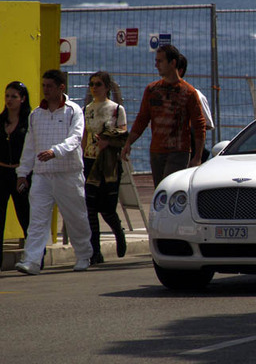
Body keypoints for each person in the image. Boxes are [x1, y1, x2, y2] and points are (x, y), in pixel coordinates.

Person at [15, 69, 93, 275]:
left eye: (49, 86)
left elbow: (76, 138)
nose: (45, 90)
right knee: (38, 219)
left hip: (68, 173)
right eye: (44, 86)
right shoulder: (36, 115)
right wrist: (22, 172)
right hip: (42, 175)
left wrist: (55, 151)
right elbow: (30, 145)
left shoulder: (73, 111)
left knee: (75, 216)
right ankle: (31, 261)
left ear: (61, 87)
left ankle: (84, 254)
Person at [121, 45, 206, 187]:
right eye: (156, 61)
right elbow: (142, 119)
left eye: (160, 61)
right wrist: (128, 143)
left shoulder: (189, 92)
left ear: (172, 63)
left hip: (179, 152)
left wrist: (197, 157)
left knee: (170, 188)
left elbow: (199, 125)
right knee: (159, 192)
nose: (156, 65)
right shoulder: (152, 90)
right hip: (156, 151)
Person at [82, 71, 128, 265]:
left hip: (109, 164)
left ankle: (118, 231)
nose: (94, 87)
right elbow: (84, 134)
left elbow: (123, 134)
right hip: (90, 161)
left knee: (107, 207)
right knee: (90, 208)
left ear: (107, 87)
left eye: (98, 84)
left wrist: (108, 141)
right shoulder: (87, 109)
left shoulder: (117, 109)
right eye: (91, 84)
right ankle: (95, 252)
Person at [0, 81, 31, 271]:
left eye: (14, 96)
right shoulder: (0, 121)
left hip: (21, 174)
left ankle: (36, 255)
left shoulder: (29, 122)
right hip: (2, 172)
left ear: (22, 99)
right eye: (7, 96)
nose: (9, 100)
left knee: (25, 215)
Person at [176, 53, 215, 162]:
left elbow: (206, 124)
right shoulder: (158, 92)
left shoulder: (195, 95)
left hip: (188, 152)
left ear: (179, 71)